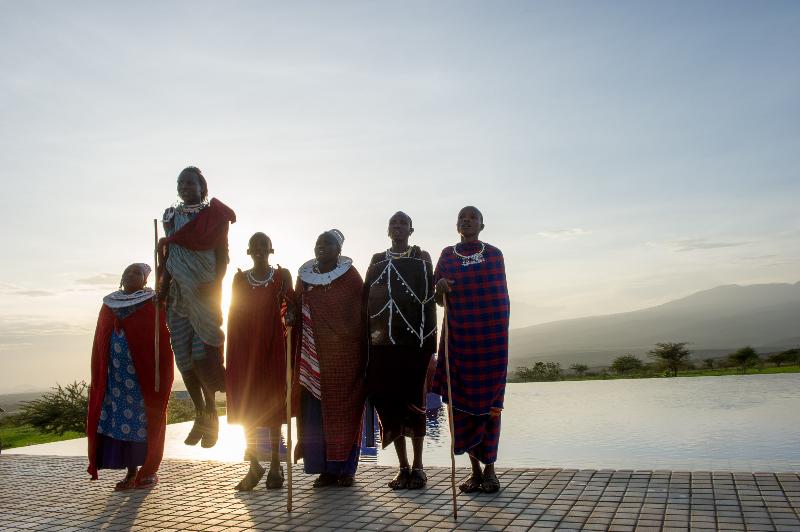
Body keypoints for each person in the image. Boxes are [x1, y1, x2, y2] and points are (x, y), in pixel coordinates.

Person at [432, 206, 510, 494]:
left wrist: (499, 339)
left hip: (490, 345)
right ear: (457, 225)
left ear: (481, 225)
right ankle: (475, 473)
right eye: (462, 218)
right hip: (459, 342)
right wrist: (440, 286)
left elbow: (501, 300)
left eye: (472, 217)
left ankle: (490, 472)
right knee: (460, 410)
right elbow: (437, 298)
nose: (466, 221)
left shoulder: (494, 255)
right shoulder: (447, 255)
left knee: (490, 409)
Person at [158, 166, 236, 448]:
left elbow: (222, 256)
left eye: (190, 182)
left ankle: (212, 413)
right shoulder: (171, 216)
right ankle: (199, 412)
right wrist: (163, 288)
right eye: (181, 183)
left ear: (202, 187)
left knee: (202, 355)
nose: (185, 187)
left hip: (204, 294)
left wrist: (214, 283)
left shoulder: (214, 217)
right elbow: (170, 256)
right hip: (178, 295)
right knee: (183, 357)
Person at [364, 212, 437, 489]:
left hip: (414, 345)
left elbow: (429, 298)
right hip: (383, 345)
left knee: (415, 403)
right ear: (387, 230)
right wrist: (367, 340)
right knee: (390, 404)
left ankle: (419, 467)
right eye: (393, 223)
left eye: (402, 223)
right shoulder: (376, 260)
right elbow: (367, 299)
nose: (397, 227)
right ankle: (402, 467)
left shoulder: (421, 257)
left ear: (411, 230)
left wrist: (428, 343)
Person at [87, 263, 174, 490]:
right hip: (115, 379)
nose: (130, 275)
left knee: (143, 423)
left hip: (141, 379)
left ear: (145, 280)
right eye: (127, 271)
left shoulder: (152, 301)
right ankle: (131, 472)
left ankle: (148, 471)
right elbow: (100, 340)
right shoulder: (109, 304)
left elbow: (162, 333)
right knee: (122, 425)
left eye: (136, 272)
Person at [293, 229, 366, 488]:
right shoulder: (304, 279)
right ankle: (324, 470)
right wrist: (291, 315)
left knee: (345, 414)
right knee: (316, 415)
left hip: (345, 359)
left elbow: (362, 314)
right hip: (313, 358)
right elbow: (296, 309)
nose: (321, 246)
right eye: (318, 242)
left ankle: (346, 469)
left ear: (339, 250)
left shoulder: (350, 277)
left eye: (328, 243)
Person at [226, 232, 295, 491]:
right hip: (245, 348)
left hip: (273, 346)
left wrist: (291, 315)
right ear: (248, 251)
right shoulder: (239, 279)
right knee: (247, 404)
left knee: (274, 403)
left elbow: (291, 303)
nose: (258, 249)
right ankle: (254, 463)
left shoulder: (282, 275)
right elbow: (234, 312)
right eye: (254, 246)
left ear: (270, 249)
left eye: (263, 245)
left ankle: (276, 464)